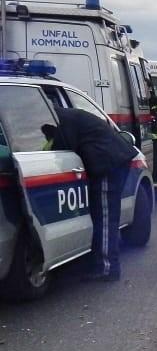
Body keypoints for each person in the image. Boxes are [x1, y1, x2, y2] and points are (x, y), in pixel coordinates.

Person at [40, 108, 138, 282]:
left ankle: (108, 268)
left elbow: (63, 149)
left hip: (107, 164)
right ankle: (101, 262)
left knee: (105, 217)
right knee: (103, 216)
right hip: (112, 161)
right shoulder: (68, 116)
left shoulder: (63, 121)